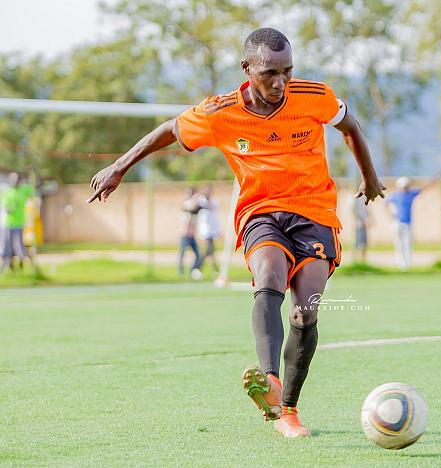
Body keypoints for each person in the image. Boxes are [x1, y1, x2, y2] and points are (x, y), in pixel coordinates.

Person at [86, 28, 385, 438]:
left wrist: (370, 177)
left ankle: (289, 410)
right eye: (269, 73)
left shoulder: (315, 96)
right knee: (268, 275)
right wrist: (119, 166)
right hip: (260, 212)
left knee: (306, 310)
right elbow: (170, 130)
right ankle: (270, 381)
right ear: (247, 69)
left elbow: (351, 127)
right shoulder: (220, 112)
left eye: (287, 71)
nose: (280, 82)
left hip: (314, 213)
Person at [385, 176, 435, 271]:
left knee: (407, 244)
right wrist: (390, 216)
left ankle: (407, 265)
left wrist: (433, 179)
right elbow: (385, 203)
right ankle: (400, 264)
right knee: (399, 244)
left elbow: (423, 188)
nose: (406, 188)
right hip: (398, 222)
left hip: (408, 223)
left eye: (407, 186)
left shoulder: (411, 194)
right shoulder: (395, 195)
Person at [0, 173, 33, 273]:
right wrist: (10, 209)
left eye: (17, 180)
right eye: (13, 180)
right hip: (8, 224)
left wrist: (32, 175)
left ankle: (21, 264)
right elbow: (5, 207)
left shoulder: (24, 190)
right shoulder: (7, 192)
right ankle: (9, 267)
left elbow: (33, 189)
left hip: (19, 224)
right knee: (8, 247)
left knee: (19, 246)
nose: (15, 182)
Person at [178, 187, 203, 279]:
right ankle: (180, 272)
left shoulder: (196, 206)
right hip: (185, 234)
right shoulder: (187, 203)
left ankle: (192, 270)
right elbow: (191, 208)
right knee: (182, 254)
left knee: (198, 255)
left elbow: (198, 208)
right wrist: (195, 199)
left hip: (192, 235)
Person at [196, 186, 221, 272]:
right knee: (209, 250)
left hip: (212, 231)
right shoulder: (201, 201)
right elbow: (202, 206)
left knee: (211, 251)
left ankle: (214, 269)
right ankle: (197, 267)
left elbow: (214, 217)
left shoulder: (213, 202)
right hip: (205, 231)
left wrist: (218, 231)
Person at [352, 194, 371, 264]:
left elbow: (367, 210)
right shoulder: (355, 198)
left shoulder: (364, 198)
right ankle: (357, 261)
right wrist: (362, 220)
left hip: (364, 224)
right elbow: (354, 210)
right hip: (359, 224)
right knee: (359, 243)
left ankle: (363, 261)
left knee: (364, 243)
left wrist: (369, 219)